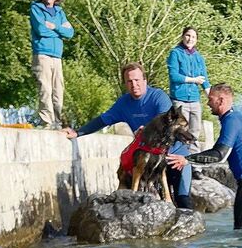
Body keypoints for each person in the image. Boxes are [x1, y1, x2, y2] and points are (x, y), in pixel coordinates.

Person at [67, 64, 191, 206]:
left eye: (137, 80)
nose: (134, 85)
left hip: (175, 155)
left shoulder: (158, 97)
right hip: (147, 158)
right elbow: (102, 120)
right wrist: (78, 132)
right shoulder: (123, 103)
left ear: (145, 80)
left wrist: (147, 130)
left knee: (183, 201)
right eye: (129, 81)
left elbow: (168, 124)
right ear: (125, 84)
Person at [178, 84, 242, 229]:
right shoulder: (237, 116)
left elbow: (219, 155)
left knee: (241, 231)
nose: (208, 103)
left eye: (211, 99)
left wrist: (187, 160)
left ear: (221, 100)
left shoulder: (231, 120)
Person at [30, 0, 74, 129]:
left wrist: (54, 27)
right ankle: (47, 122)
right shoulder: (36, 8)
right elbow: (41, 29)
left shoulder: (60, 12)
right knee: (45, 89)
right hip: (42, 54)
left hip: (57, 56)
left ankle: (57, 122)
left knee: (58, 91)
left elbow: (70, 33)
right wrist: (60, 31)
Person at [166, 26, 210, 153]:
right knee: (181, 132)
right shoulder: (175, 53)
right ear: (182, 36)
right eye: (188, 35)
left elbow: (204, 80)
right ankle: (179, 157)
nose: (190, 39)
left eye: (193, 37)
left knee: (195, 132)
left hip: (195, 100)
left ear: (197, 40)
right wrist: (193, 80)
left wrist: (212, 98)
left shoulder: (199, 57)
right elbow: (174, 76)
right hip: (179, 100)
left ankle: (193, 162)